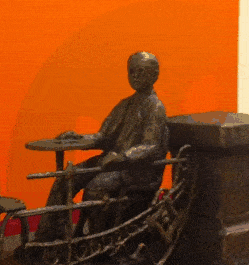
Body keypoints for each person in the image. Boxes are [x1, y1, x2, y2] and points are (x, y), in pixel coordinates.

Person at [34, 51, 169, 242]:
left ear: (154, 75)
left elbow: (150, 146)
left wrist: (124, 157)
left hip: (137, 170)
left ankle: (96, 239)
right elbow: (103, 137)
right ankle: (50, 235)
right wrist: (78, 138)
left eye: (141, 71)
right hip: (113, 163)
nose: (136, 76)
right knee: (66, 178)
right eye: (132, 71)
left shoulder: (155, 107)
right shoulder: (125, 104)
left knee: (95, 188)